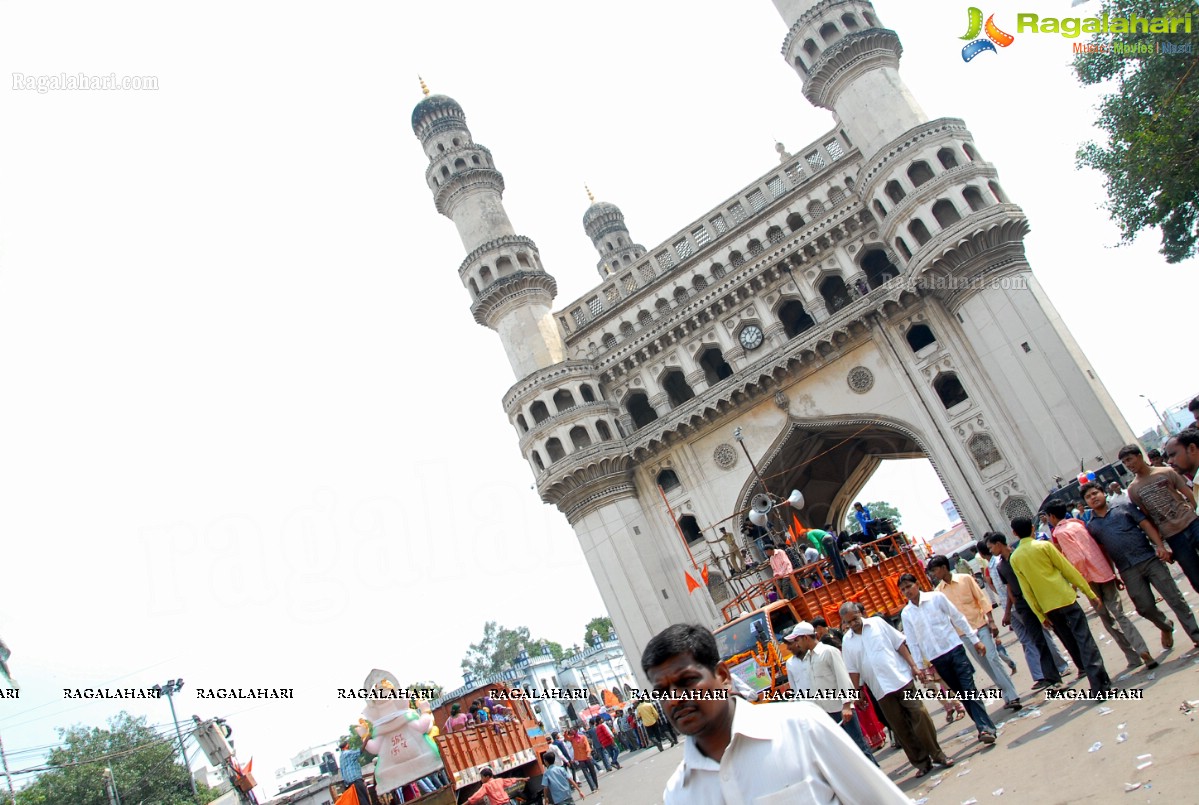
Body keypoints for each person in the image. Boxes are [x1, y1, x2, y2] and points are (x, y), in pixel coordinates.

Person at [642, 623, 910, 804]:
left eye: (687, 681)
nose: (675, 698)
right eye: (662, 690)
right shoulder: (678, 793)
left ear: (723, 677)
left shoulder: (802, 729)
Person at [839, 601, 955, 779]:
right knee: (900, 727)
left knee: (920, 714)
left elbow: (899, 644)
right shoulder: (847, 641)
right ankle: (922, 762)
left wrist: (914, 666)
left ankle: (938, 754)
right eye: (848, 622)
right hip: (880, 690)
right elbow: (853, 669)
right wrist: (857, 693)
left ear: (860, 613)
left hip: (901, 679)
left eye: (855, 619)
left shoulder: (877, 624)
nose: (853, 624)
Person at [1082, 482, 1199, 653]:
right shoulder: (1092, 526)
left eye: (1095, 493)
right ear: (1086, 502)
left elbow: (1145, 524)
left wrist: (1160, 546)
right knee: (1144, 608)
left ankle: (1195, 635)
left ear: (1102, 493)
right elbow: (1102, 552)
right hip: (1127, 570)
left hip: (1149, 558)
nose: (1093, 498)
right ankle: (1165, 626)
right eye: (1088, 497)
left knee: (1175, 598)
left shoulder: (1123, 507)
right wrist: (1111, 573)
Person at [1045, 499, 1157, 670]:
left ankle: (1132, 656)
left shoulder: (1060, 533)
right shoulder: (1079, 524)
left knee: (1107, 620)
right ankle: (1142, 649)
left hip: (1090, 580)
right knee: (1120, 614)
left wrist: (1077, 584)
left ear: (1052, 516)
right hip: (1104, 571)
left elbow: (1077, 559)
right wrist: (1110, 571)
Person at [1008, 516, 1112, 696]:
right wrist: (1089, 593)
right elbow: (1068, 570)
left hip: (1048, 607)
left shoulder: (1015, 558)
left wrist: (1040, 615)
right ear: (1033, 528)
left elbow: (1026, 589)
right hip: (1066, 598)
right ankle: (1100, 686)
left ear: (1014, 534)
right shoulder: (1044, 546)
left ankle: (1090, 675)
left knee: (1070, 642)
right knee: (1084, 640)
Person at [897, 573, 998, 745]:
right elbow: (913, 641)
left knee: (969, 689)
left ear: (918, 584)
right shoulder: (907, 614)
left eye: (909, 586)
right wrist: (920, 668)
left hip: (954, 649)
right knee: (962, 693)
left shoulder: (936, 598)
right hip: (937, 658)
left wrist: (975, 640)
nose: (907, 591)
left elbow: (957, 617)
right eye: (903, 589)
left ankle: (985, 728)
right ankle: (984, 726)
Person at [926, 555, 1021, 710]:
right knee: (986, 665)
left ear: (944, 567)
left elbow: (982, 599)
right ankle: (1007, 695)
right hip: (964, 634)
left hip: (981, 625)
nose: (934, 574)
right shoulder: (938, 593)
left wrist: (991, 621)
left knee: (993, 658)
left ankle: (1013, 696)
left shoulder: (965, 579)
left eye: (935, 570)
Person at [783, 622, 879, 764]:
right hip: (825, 713)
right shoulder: (808, 658)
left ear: (806, 638)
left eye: (797, 640)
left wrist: (847, 706)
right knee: (845, 754)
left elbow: (843, 679)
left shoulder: (828, 652)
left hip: (841, 709)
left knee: (859, 748)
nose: (796, 644)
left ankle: (878, 779)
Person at [984, 533, 1067, 690]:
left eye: (991, 547)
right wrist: (1011, 608)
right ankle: (1053, 678)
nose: (990, 551)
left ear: (999, 544)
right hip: (1021, 605)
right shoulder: (1001, 565)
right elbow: (1008, 587)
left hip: (1034, 600)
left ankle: (1066, 666)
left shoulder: (1018, 557)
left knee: (1052, 633)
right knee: (1037, 640)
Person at [1121, 443, 1199, 593]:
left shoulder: (1166, 471)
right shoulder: (1133, 489)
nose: (1128, 465)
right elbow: (1148, 516)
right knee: (1195, 577)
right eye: (1124, 462)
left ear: (1139, 456)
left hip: (1192, 522)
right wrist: (1160, 545)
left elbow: (1190, 495)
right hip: (1173, 535)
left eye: (1129, 459)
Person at [338, 739, 371, 805]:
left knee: (358, 800)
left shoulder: (341, 756)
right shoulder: (348, 753)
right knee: (363, 799)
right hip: (356, 780)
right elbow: (360, 751)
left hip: (349, 783)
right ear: (347, 745)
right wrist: (366, 740)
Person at [567, 728, 598, 792]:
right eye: (570, 731)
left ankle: (596, 785)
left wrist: (588, 753)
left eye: (572, 730)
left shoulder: (583, 737)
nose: (571, 732)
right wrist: (566, 732)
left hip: (587, 757)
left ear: (575, 730)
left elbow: (587, 746)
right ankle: (593, 788)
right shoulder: (572, 739)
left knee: (593, 772)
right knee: (586, 774)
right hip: (580, 759)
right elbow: (566, 737)